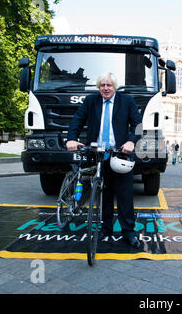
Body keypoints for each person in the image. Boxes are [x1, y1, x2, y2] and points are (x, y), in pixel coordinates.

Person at [66, 72, 142, 248]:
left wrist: (131, 141)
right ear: (98, 87)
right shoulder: (91, 101)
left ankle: (128, 232)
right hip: (98, 154)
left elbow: (138, 125)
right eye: (102, 85)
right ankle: (106, 228)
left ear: (115, 87)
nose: (105, 88)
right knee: (104, 194)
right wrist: (71, 138)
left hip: (120, 154)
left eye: (109, 85)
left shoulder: (126, 101)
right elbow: (76, 121)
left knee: (124, 194)